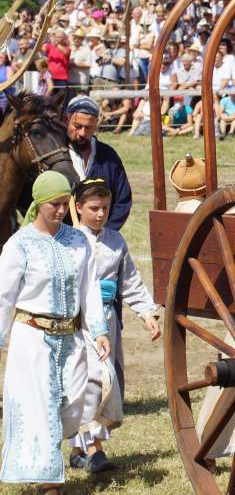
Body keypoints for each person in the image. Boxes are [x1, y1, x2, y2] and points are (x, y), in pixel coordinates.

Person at [0, 171, 110, 494]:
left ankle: (43, 456)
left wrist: (99, 329)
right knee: (42, 405)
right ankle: (49, 481)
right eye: (54, 205)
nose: (61, 211)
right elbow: (4, 296)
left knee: (72, 404)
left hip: (71, 339)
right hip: (32, 338)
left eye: (65, 204)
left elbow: (89, 288)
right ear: (38, 203)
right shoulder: (19, 246)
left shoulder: (78, 241)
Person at [67, 178, 161, 474]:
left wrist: (146, 312)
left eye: (105, 208)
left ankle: (82, 448)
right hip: (79, 323)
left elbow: (130, 281)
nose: (100, 214)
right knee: (90, 380)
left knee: (103, 378)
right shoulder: (70, 242)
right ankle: (93, 450)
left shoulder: (115, 241)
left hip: (107, 320)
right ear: (78, 207)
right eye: (94, 208)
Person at [65, 95, 132, 231]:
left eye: (88, 128)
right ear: (67, 121)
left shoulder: (108, 156)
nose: (82, 133)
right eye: (77, 126)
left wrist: (105, 233)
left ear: (96, 124)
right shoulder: (56, 156)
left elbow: (122, 199)